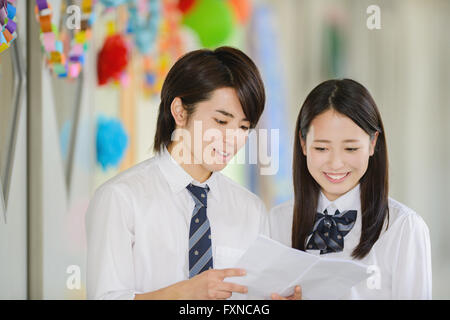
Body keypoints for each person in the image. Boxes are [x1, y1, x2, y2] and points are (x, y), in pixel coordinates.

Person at [86, 46, 301, 300]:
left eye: (244, 127)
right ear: (179, 111)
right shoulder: (120, 199)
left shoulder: (251, 210)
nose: (233, 139)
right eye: (221, 121)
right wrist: (183, 293)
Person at [269, 79, 431, 299]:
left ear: (373, 143)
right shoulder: (277, 222)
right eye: (322, 147)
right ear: (303, 143)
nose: (336, 163)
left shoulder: (403, 228)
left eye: (351, 148)